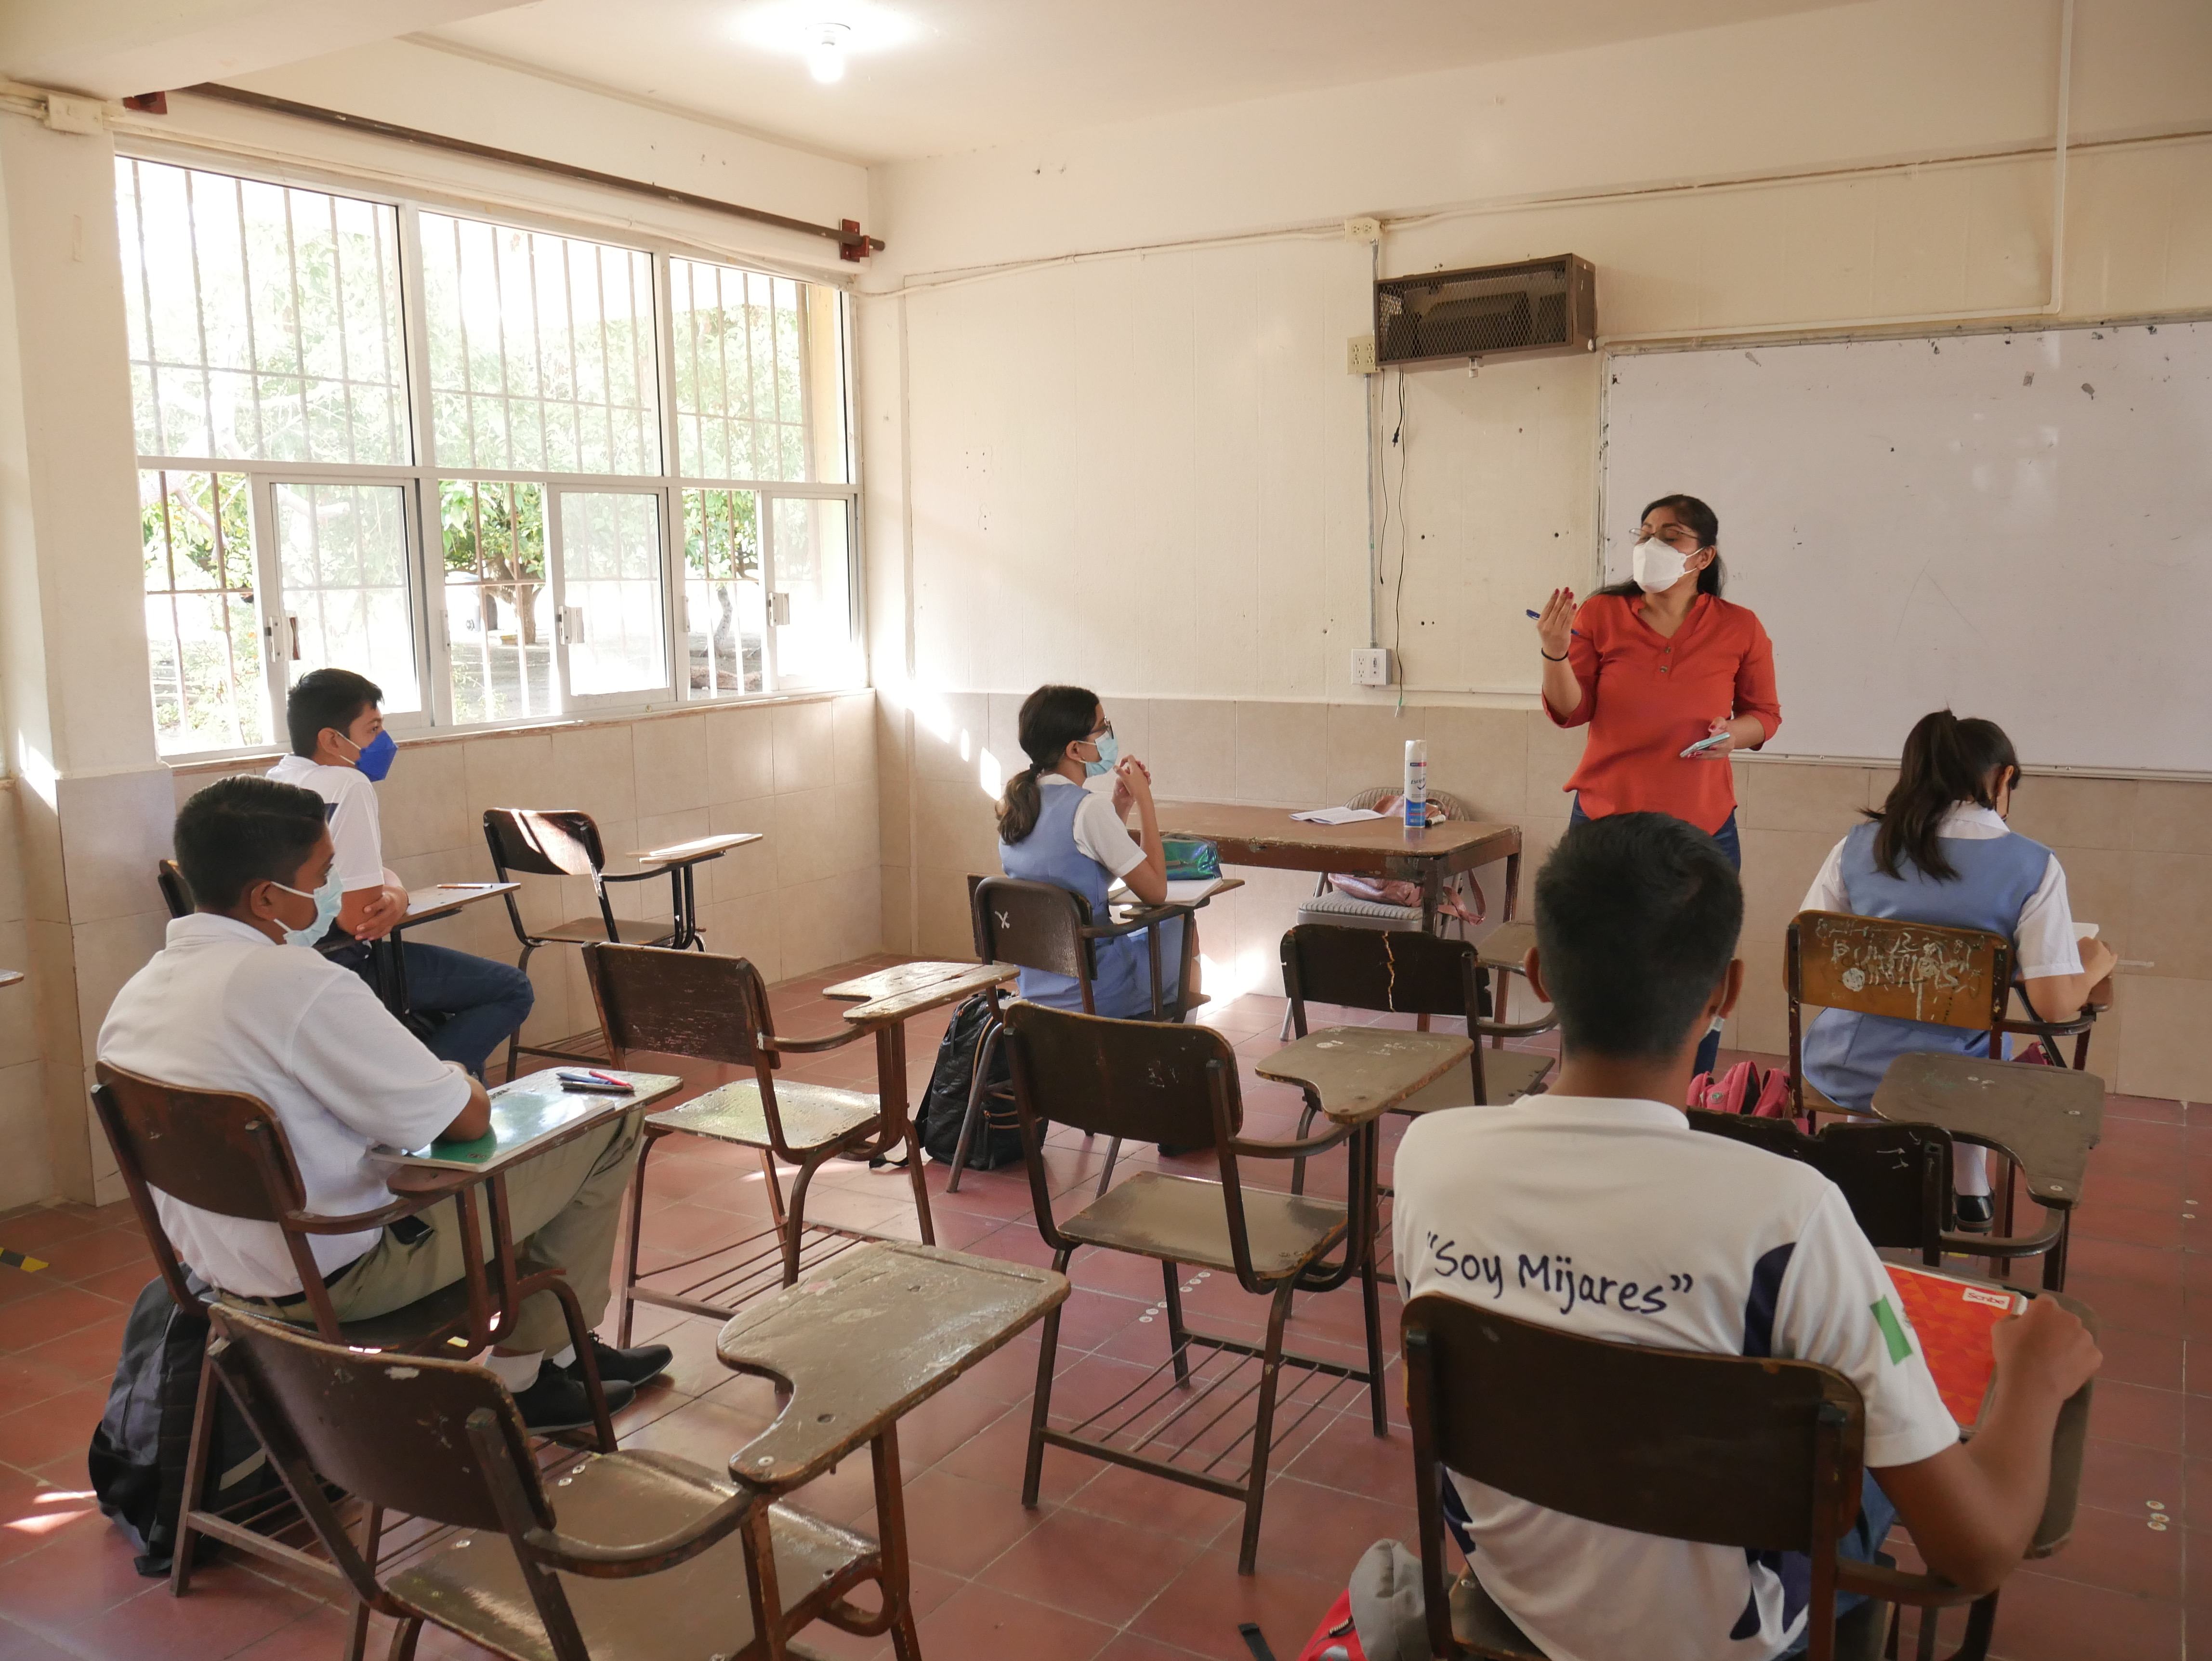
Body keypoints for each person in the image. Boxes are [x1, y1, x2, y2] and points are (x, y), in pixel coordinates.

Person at [1393, 813, 2101, 1661]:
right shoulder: (1791, 1214)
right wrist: (2031, 1374)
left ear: (1539, 975)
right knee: (1864, 1466)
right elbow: (1977, 1551)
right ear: (1725, 993)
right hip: (1738, 1639)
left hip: (1516, 1594)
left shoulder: (1431, 1156)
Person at [99, 777, 672, 1432]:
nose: (333, 892)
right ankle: (526, 1379)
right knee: (602, 1123)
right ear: (265, 897)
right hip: (343, 1273)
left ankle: (567, 1355)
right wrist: (454, 1071)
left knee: (515, 1166)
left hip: (220, 1274)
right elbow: (462, 1119)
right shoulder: (298, 980)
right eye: (322, 875)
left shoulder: (135, 997)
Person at [1799, 711, 2119, 1229]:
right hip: (1962, 1081)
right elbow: (2054, 1006)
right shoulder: (2031, 865)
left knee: (1885, 1040)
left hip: (1843, 1064)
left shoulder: (1857, 846)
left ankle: (1863, 1165)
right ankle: (1969, 1186)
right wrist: (2093, 962)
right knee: (1975, 1051)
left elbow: (1810, 954)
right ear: (2003, 778)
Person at [1533, 493, 1781, 1076]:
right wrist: (1552, 652)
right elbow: (1572, 711)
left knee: (1695, 972)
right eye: (1644, 532)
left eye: (1670, 536)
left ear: (1702, 557)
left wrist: (1733, 735)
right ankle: (1591, 1091)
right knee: (1597, 969)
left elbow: (1764, 715)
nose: (1650, 546)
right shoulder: (1600, 614)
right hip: (1605, 824)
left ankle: (1691, 1098)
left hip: (1702, 829)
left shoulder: (1738, 626)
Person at [268, 668, 533, 1079]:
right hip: (344, 965)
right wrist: (396, 893)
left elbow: (342, 879)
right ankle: (425, 1087)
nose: (384, 742)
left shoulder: (279, 780)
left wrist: (391, 886)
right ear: (331, 739)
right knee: (510, 989)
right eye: (372, 729)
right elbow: (359, 918)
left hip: (289, 970)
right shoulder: (348, 785)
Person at [995, 685, 1190, 1019]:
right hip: (1095, 989)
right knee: (1182, 930)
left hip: (1037, 986)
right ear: (1075, 749)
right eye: (1102, 728)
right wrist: (1145, 800)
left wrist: (1121, 805)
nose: (1108, 735)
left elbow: (1078, 862)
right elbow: (1156, 890)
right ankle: (1166, 1061)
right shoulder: (1087, 809)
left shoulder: (1016, 808)